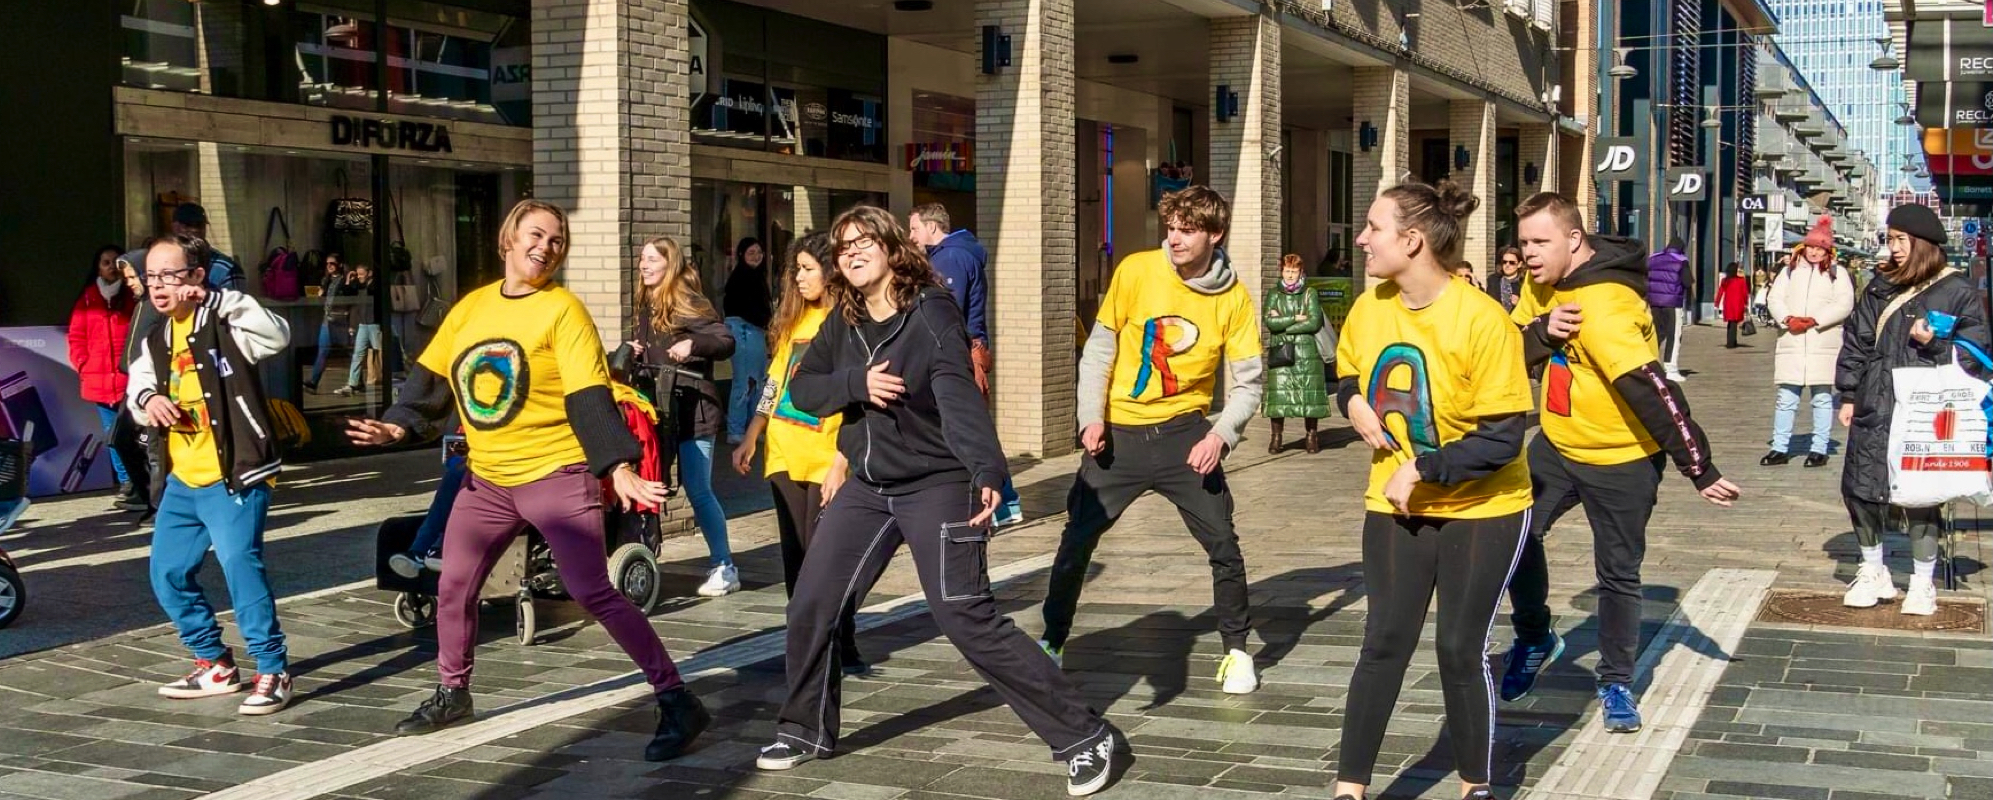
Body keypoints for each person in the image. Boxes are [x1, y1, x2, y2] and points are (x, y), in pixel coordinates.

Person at [753, 206, 1129, 797]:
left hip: (938, 483)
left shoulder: (929, 312)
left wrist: (987, 468)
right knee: (812, 603)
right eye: (843, 246)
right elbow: (804, 387)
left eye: (864, 242)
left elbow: (956, 391)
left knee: (965, 615)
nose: (851, 253)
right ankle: (804, 729)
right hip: (870, 489)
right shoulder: (843, 321)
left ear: (893, 248)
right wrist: (858, 385)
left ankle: (1085, 737)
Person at [344, 200, 705, 761]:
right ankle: (453, 691)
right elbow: (431, 382)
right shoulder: (470, 309)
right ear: (508, 238)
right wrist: (395, 426)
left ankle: (677, 698)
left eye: (557, 241)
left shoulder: (563, 310)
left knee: (591, 591)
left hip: (555, 474)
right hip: (485, 478)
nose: (546, 247)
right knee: (453, 587)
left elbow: (589, 395)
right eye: (536, 234)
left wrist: (618, 466)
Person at [1499, 192, 1741, 733]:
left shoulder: (1605, 306)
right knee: (1513, 536)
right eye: (1524, 244)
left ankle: (1615, 682)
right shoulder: (1539, 285)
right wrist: (1541, 332)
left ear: (1574, 239)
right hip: (1558, 445)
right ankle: (1536, 637)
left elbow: (1653, 390)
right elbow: (1508, 351)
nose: (1531, 254)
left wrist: (1698, 466)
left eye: (1541, 242)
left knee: (1617, 573)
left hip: (1623, 458)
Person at [1332, 180, 1532, 800]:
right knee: (1384, 641)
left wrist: (1421, 468)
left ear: (1411, 240)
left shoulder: (1483, 320)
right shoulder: (1371, 307)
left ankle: (1476, 785)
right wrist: (1353, 400)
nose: (1361, 238)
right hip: (1393, 503)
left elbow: (1503, 439)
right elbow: (1341, 370)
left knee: (1457, 647)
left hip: (1485, 507)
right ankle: (1349, 790)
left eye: (1373, 226)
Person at [1039, 185, 1265, 694]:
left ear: (1215, 234)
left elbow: (1250, 383)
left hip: (1185, 436)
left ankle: (1236, 651)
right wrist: (1089, 417)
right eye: (1171, 227)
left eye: (1187, 230)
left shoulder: (1234, 297)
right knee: (1076, 540)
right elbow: (1099, 350)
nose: (1175, 238)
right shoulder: (1136, 270)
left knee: (1223, 543)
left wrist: (1221, 437)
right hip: (1117, 436)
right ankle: (1052, 643)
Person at [126, 234, 294, 715]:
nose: (159, 286)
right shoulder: (156, 337)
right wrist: (148, 401)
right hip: (183, 478)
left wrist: (222, 299)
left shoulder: (225, 321)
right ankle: (214, 662)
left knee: (241, 567)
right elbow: (137, 385)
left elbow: (277, 335)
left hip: (235, 472)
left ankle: (272, 668)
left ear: (197, 277)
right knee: (167, 573)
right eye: (151, 276)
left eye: (170, 275)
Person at [730, 231, 869, 675]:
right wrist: (753, 432)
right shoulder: (792, 321)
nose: (800, 278)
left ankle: (840, 637)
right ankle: (807, 641)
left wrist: (842, 461)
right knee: (796, 555)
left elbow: (856, 398)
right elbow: (774, 381)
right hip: (785, 451)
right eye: (797, 270)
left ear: (831, 272)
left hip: (827, 456)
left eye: (808, 269)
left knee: (825, 555)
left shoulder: (849, 323)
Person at [1836, 203, 1986, 616]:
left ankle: (1922, 582)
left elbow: (1976, 355)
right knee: (1861, 489)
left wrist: (1935, 344)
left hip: (1926, 410)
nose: (1894, 247)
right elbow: (1857, 341)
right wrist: (1848, 393)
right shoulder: (1879, 285)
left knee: (1922, 495)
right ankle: (1872, 571)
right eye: (1891, 239)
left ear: (1922, 243)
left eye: (1901, 240)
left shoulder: (1957, 291)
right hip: (1876, 403)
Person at [630, 236, 740, 597]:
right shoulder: (646, 303)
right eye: (642, 259)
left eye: (651, 259)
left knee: (698, 488)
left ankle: (724, 565)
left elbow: (725, 341)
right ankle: (644, 557)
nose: (644, 265)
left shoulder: (688, 301)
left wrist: (693, 344)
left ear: (670, 264)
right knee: (652, 483)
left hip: (695, 410)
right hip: (659, 409)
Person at [908, 203, 1024, 526]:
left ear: (932, 227)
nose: (911, 236)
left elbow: (946, 312)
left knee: (966, 427)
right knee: (968, 426)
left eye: (915, 229)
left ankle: (1001, 501)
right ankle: (1001, 501)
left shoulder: (949, 258)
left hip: (958, 353)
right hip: (965, 351)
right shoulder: (956, 253)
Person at [1763, 217, 1854, 468]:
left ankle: (1819, 447)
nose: (1814, 252)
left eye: (1819, 248)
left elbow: (1844, 303)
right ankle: (1780, 447)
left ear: (1828, 250)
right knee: (1786, 398)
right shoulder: (1789, 271)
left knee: (1822, 398)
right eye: (1810, 247)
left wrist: (1816, 320)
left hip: (1822, 343)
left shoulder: (1838, 273)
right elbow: (1775, 299)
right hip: (1792, 343)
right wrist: (1787, 319)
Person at [70, 245, 142, 511]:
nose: (110, 266)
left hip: (130, 381)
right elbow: (76, 336)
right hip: (98, 381)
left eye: (115, 262)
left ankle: (141, 482)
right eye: (105, 262)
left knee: (136, 435)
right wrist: (82, 363)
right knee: (112, 436)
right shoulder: (87, 298)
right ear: (98, 267)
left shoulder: (134, 297)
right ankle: (127, 484)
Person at [1262, 253, 1332, 454]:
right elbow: (1270, 322)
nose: (1290, 275)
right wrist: (1295, 318)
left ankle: (1311, 436)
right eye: (1286, 270)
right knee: (1279, 396)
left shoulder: (1310, 293)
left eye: (1293, 271)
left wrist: (1286, 326)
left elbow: (1314, 322)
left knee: (1309, 395)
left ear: (1301, 271)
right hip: (1282, 352)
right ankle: (1276, 438)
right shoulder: (1274, 294)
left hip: (1306, 352)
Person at [723, 237, 773, 444]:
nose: (756, 257)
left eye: (759, 253)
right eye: (751, 253)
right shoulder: (740, 279)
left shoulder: (758, 277)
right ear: (742, 255)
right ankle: (736, 430)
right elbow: (743, 309)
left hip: (755, 331)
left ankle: (752, 427)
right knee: (744, 381)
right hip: (743, 330)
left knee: (757, 381)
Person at [168, 203, 244, 292]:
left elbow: (236, 304)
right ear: (174, 227)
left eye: (199, 225)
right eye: (188, 225)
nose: (194, 230)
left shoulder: (226, 269)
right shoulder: (161, 264)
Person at [334, 264, 382, 396]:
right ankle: (352, 383)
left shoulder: (374, 286)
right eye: (358, 274)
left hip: (374, 324)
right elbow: (347, 292)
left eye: (362, 274)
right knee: (358, 354)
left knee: (380, 353)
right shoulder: (358, 285)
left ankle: (390, 378)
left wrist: (362, 281)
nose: (360, 277)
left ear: (369, 273)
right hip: (363, 324)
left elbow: (373, 292)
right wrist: (349, 279)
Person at [1647, 236, 1690, 381]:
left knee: (1655, 334)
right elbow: (1688, 281)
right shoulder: (1681, 260)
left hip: (1654, 302)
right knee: (1674, 335)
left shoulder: (1653, 258)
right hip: (1672, 303)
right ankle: (1670, 368)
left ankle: (1650, 365)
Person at [305, 252, 348, 392]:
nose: (329, 266)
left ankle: (356, 381)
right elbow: (321, 295)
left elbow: (350, 294)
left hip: (341, 319)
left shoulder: (344, 280)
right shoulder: (326, 280)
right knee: (323, 350)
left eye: (332, 263)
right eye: (327, 264)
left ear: (339, 264)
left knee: (351, 352)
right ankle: (313, 381)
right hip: (327, 319)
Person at [1715, 264, 1750, 348]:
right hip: (1738, 304)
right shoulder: (1741, 281)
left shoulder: (1725, 280)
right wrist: (1746, 303)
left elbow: (1720, 292)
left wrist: (1717, 302)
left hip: (1728, 304)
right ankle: (1732, 342)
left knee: (1731, 323)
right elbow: (1744, 293)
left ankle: (1731, 341)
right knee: (1734, 323)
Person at [1488, 246, 1525, 312]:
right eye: (1504, 262)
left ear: (1519, 264)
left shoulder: (1524, 283)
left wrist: (1520, 304)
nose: (1507, 265)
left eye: (1512, 263)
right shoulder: (1493, 280)